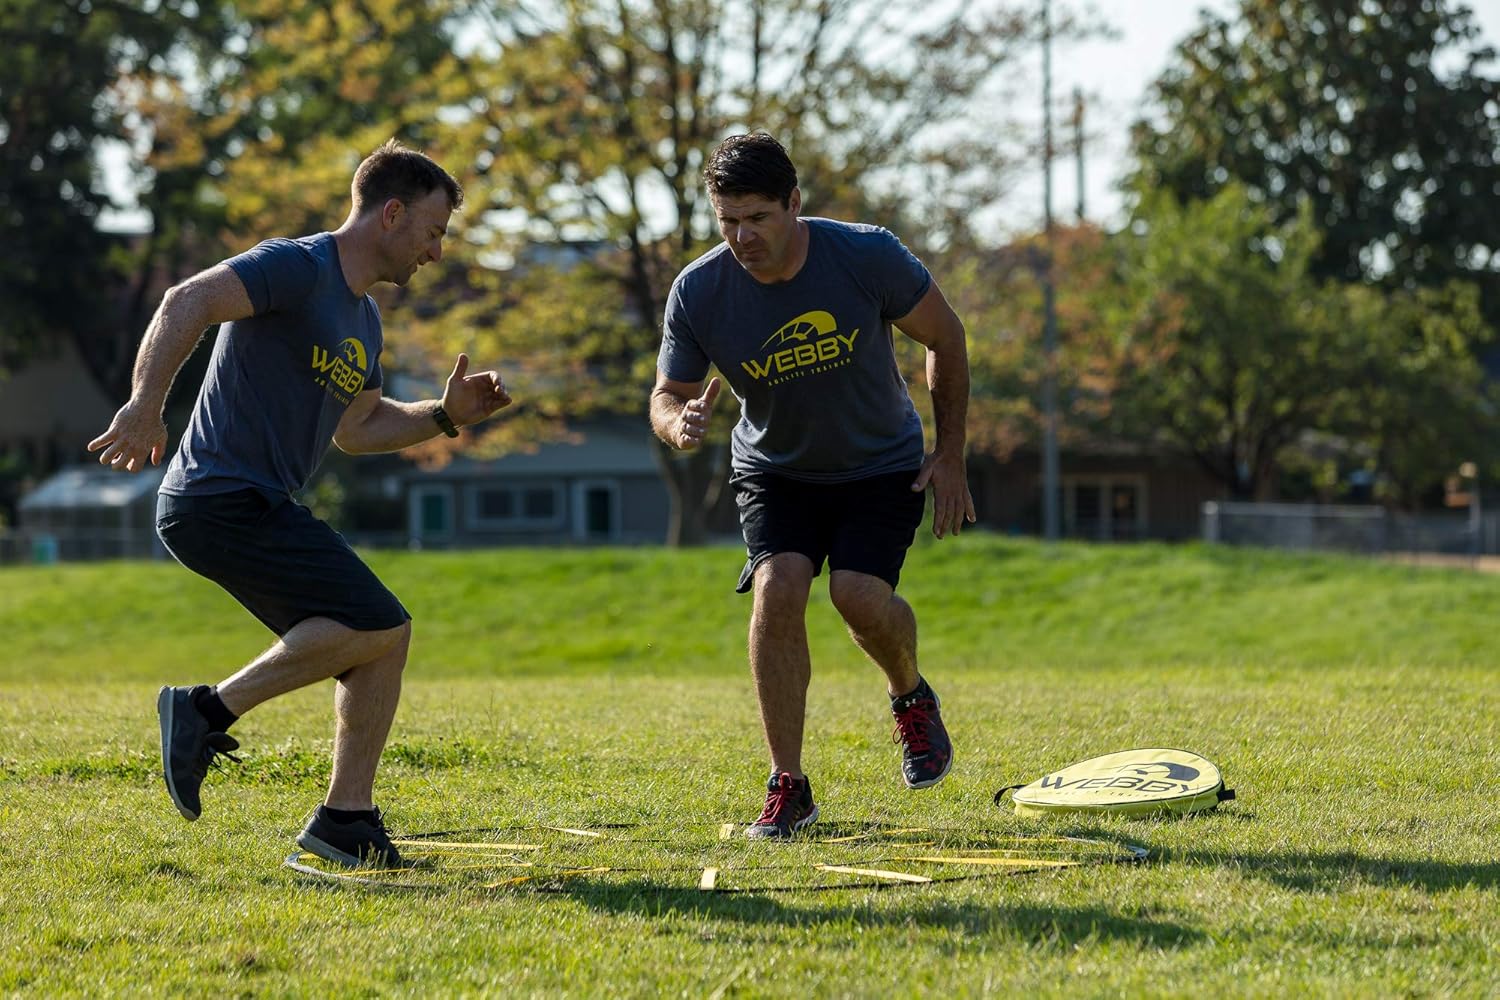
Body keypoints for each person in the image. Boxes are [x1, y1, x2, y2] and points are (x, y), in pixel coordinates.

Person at [88, 139, 512, 867]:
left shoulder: (364, 321)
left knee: (383, 637)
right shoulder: (298, 266)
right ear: (392, 213)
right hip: (217, 495)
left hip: (254, 502)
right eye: (434, 232)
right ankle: (204, 710)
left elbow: (359, 428)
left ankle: (345, 820)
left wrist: (445, 416)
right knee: (378, 622)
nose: (436, 252)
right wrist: (144, 405)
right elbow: (187, 299)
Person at [650, 132, 976, 839]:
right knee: (778, 588)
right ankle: (788, 785)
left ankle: (910, 694)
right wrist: (679, 423)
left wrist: (950, 454)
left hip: (879, 462)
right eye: (728, 220)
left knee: (857, 596)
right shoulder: (699, 290)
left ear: (794, 203)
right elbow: (666, 395)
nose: (743, 237)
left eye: (758, 218)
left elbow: (946, 338)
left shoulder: (865, 255)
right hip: (774, 468)